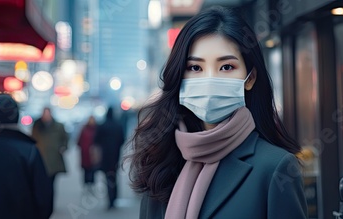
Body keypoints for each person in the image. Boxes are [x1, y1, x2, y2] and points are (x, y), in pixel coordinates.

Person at [128, 7, 308, 219]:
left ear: (249, 78)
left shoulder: (275, 167)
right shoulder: (160, 163)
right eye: (195, 68)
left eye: (226, 67)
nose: (209, 79)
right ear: (179, 76)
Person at [31, 107, 68, 209]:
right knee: (41, 185)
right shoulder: (37, 126)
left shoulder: (59, 126)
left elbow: (65, 139)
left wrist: (63, 147)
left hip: (54, 160)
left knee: (51, 185)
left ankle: (49, 204)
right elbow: (33, 139)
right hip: (41, 159)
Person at [93, 107, 125, 210]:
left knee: (107, 178)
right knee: (114, 177)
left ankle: (110, 199)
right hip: (115, 155)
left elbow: (96, 140)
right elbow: (122, 139)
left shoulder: (102, 125)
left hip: (105, 156)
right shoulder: (118, 125)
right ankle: (114, 198)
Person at [77, 115, 98, 194]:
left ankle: (91, 185)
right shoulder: (84, 129)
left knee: (92, 170)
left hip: (93, 153)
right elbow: (79, 141)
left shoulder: (96, 129)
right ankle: (86, 185)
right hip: (85, 153)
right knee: (86, 170)